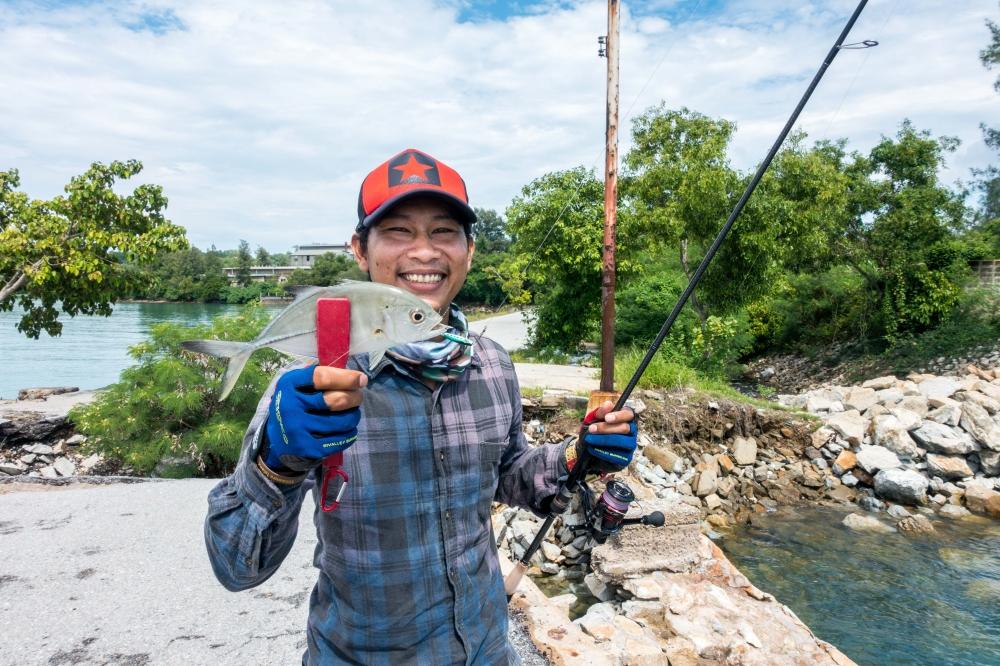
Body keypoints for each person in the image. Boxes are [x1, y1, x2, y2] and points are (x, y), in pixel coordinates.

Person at [204, 148, 639, 665]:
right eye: (398, 231)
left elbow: (509, 474)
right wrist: (275, 464)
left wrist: (579, 455)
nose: (424, 252)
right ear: (360, 250)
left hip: (487, 651)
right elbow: (236, 568)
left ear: (469, 250)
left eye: (443, 231)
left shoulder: (493, 363)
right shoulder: (312, 385)